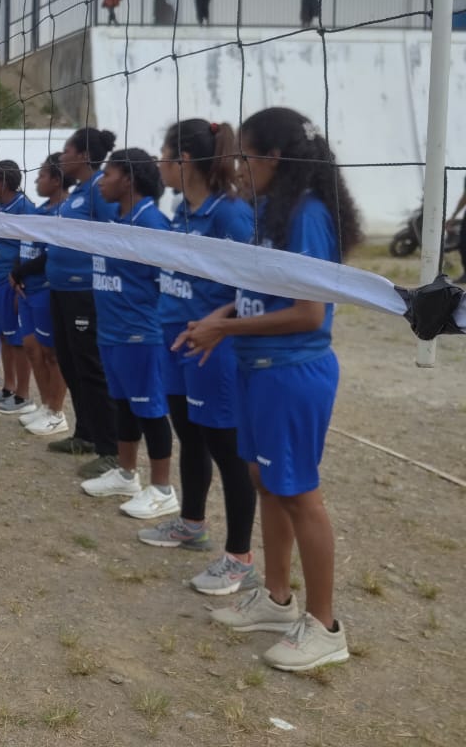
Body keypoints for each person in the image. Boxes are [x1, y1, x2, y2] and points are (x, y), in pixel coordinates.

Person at [180, 106, 361, 672]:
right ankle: (278, 600)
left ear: (274, 158)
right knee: (266, 480)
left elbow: (309, 313)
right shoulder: (269, 211)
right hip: (255, 366)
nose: (237, 165)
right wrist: (225, 314)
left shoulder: (306, 214)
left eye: (246, 155)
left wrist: (225, 327)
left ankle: (326, 626)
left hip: (292, 373)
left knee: (299, 492)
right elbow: (269, 290)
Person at [141, 119, 259, 599]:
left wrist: (219, 321)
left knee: (227, 451)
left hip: (211, 347)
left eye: (164, 157)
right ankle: (191, 523)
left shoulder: (230, 214)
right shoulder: (180, 210)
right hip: (172, 340)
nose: (159, 166)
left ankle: (240, 558)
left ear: (184, 161)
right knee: (190, 435)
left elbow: (254, 285)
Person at [78, 149, 177, 524]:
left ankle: (164, 489)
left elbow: (165, 285)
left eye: (108, 174)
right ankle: (126, 473)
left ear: (129, 180)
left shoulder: (152, 223)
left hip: (141, 335)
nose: (101, 181)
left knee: (150, 410)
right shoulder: (117, 218)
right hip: (113, 332)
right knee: (124, 406)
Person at [45, 128, 121, 477]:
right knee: (71, 364)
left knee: (91, 368)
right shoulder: (77, 193)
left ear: (84, 155)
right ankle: (85, 434)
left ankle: (111, 449)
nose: (61, 157)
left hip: (84, 292)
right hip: (61, 290)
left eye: (66, 151)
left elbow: (114, 240)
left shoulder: (99, 192)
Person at [8, 154, 71, 436]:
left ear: (56, 180)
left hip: (46, 289)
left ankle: (57, 411)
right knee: (32, 348)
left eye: (42, 175)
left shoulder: (66, 212)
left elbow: (51, 255)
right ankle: (46, 406)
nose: (36, 180)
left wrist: (20, 273)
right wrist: (15, 272)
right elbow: (24, 248)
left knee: (51, 353)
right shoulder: (40, 211)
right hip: (27, 290)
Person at [0, 160, 38, 414]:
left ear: (3, 183)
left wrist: (18, 279)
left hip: (8, 283)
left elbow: (30, 249)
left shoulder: (25, 209)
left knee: (17, 340)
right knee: (4, 336)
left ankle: (23, 395)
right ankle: (8, 387)